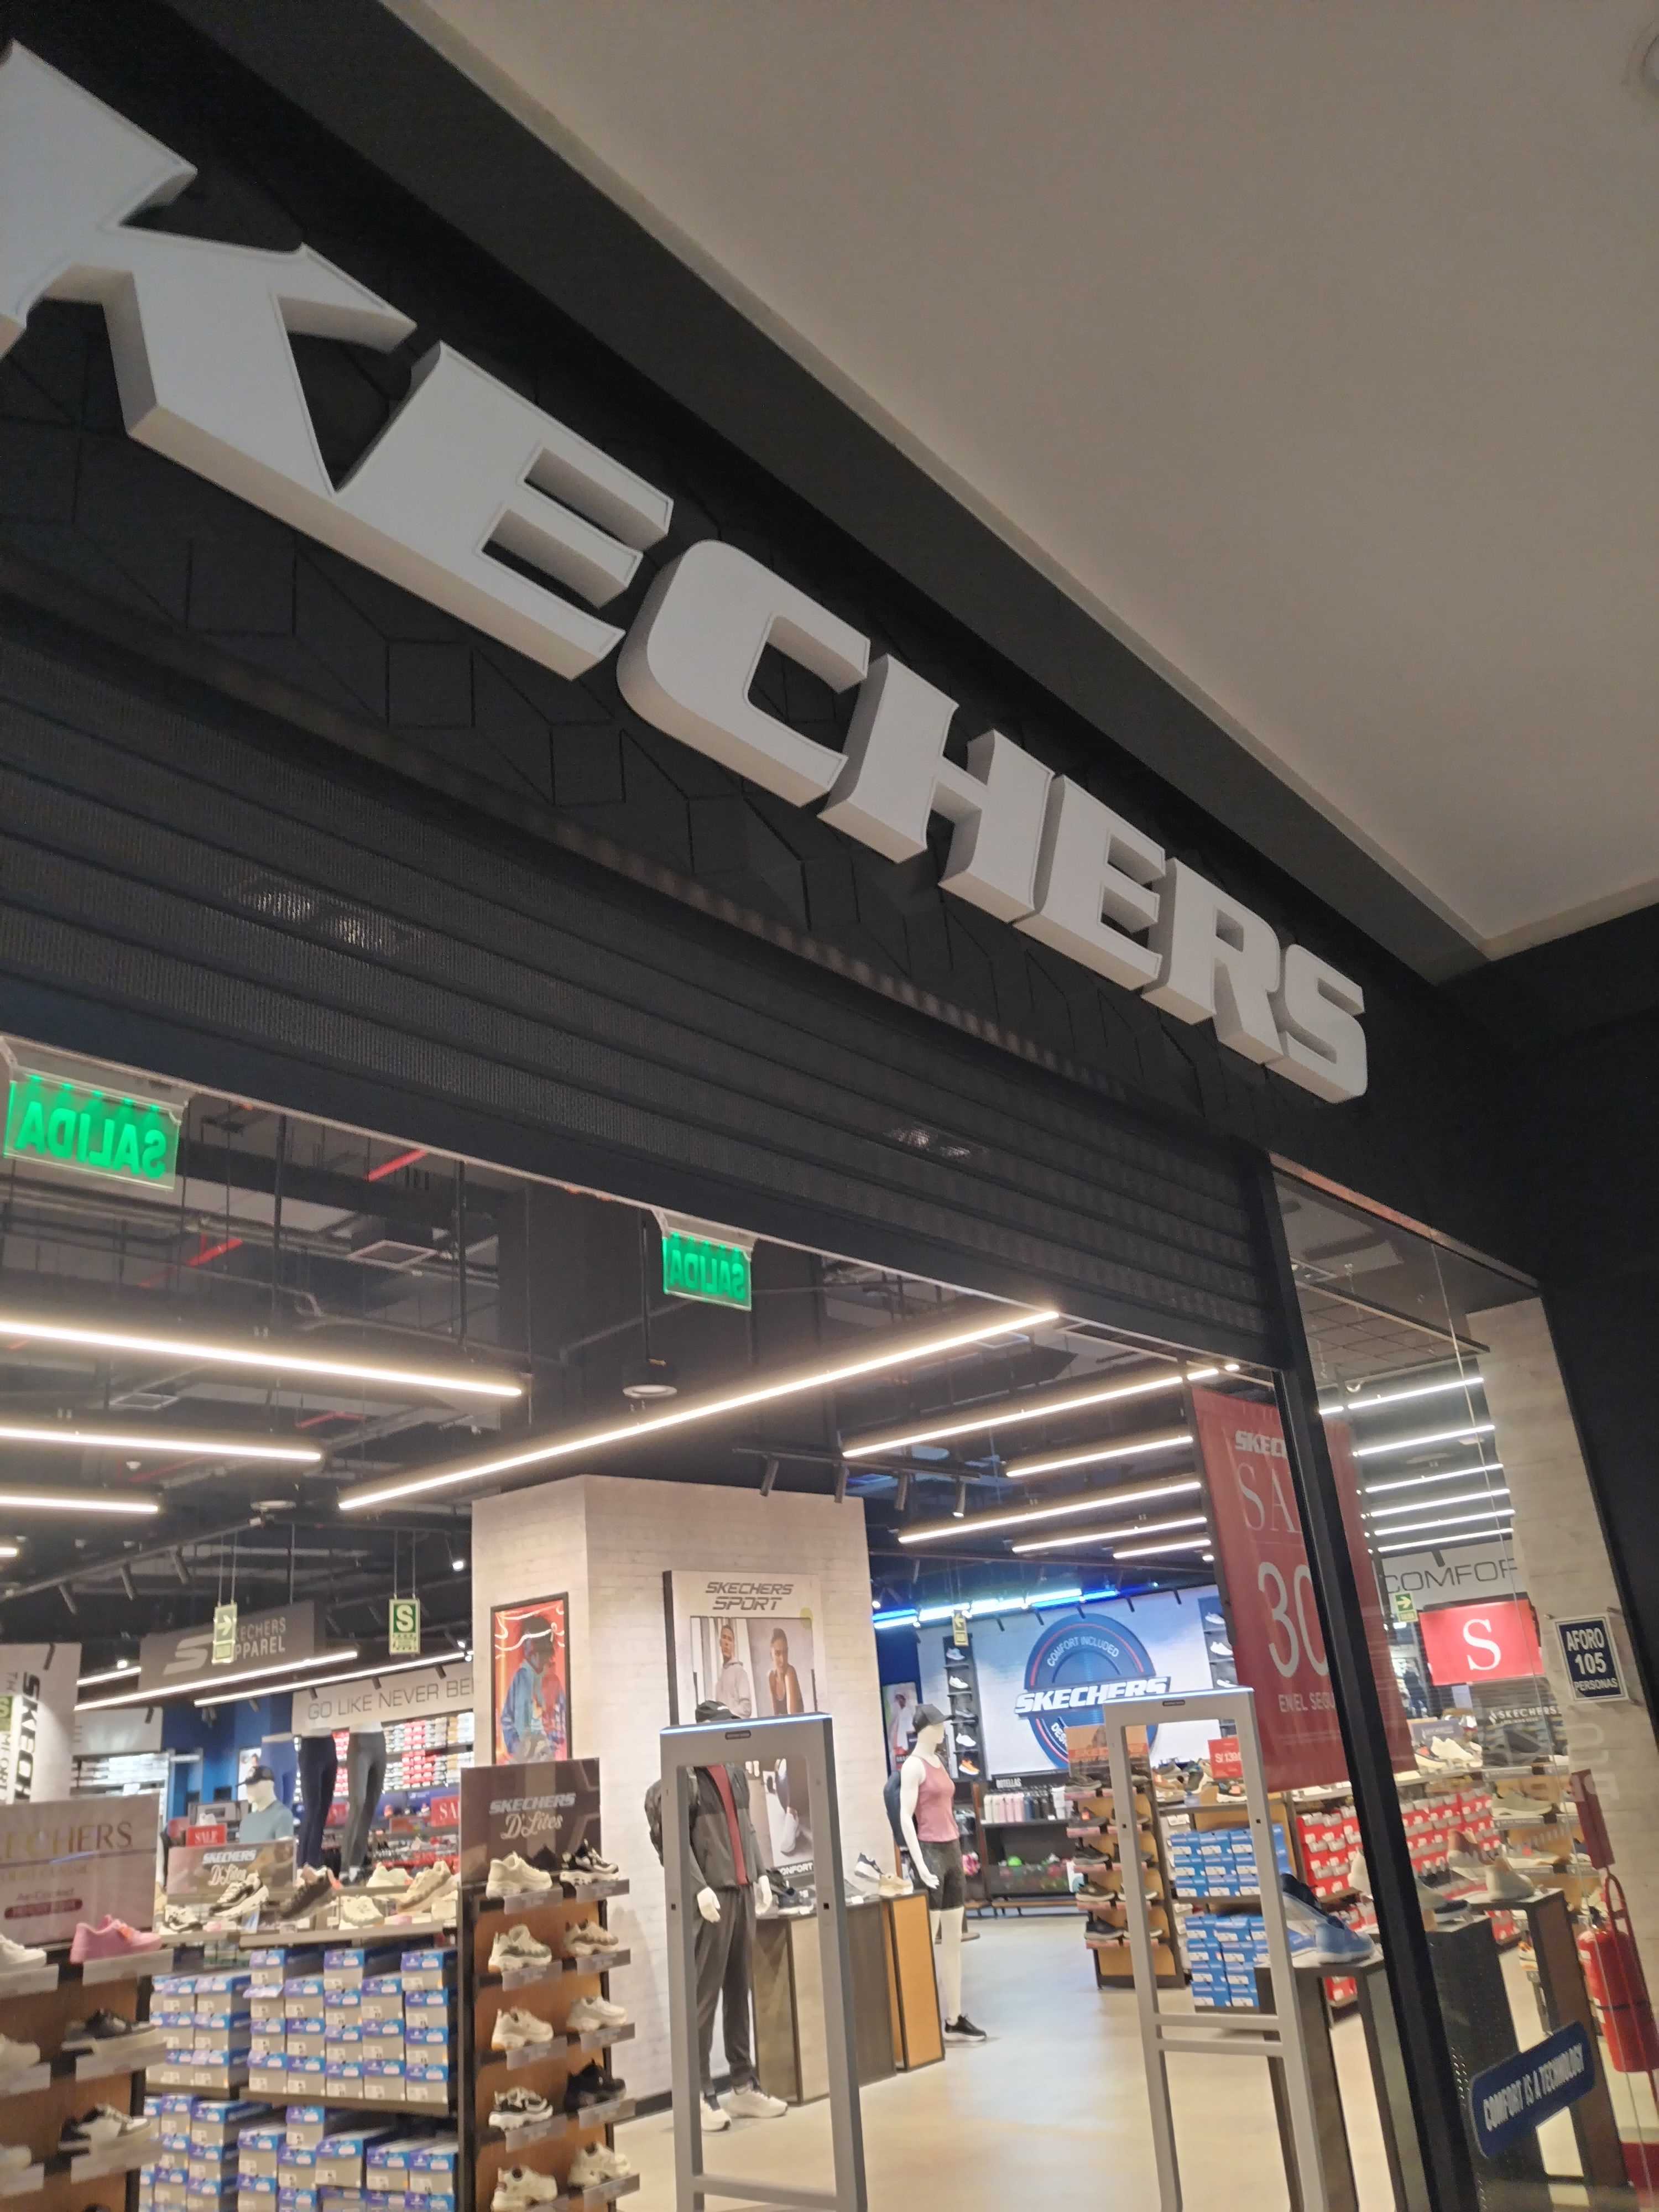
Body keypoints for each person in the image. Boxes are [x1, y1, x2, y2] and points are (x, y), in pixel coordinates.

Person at [499, 1614, 567, 1760]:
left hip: (547, 1757)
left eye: (528, 1639)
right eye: (525, 1639)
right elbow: (506, 1717)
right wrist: (516, 1746)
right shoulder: (519, 1679)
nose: (525, 1644)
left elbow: (563, 1718)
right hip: (522, 1758)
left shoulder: (553, 1682)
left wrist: (551, 1745)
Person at [713, 1619, 754, 1718]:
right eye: (724, 1638)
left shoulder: (739, 1671)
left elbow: (746, 1708)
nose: (727, 1643)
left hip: (736, 1726)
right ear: (720, 1643)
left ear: (733, 1645)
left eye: (730, 1639)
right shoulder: (719, 1681)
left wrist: (726, 1718)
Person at [766, 1628, 805, 1715]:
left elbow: (792, 1717)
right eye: (778, 1653)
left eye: (785, 1652)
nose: (783, 1660)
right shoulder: (771, 1676)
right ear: (771, 1655)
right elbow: (774, 1715)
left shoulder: (790, 1672)